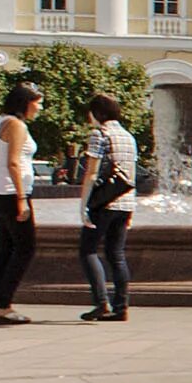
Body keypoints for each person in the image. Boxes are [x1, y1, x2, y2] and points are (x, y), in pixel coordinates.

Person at [0, 83, 42, 325]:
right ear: (25, 102)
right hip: (10, 193)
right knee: (25, 248)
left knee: (7, 248)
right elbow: (14, 162)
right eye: (37, 102)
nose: (39, 107)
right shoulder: (16, 125)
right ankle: (2, 304)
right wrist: (21, 200)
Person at [77, 93, 137, 322]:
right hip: (125, 202)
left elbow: (91, 172)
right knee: (117, 255)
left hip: (103, 203)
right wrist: (132, 210)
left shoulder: (99, 134)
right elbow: (130, 174)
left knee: (88, 250)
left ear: (97, 113)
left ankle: (101, 302)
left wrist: (83, 205)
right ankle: (121, 307)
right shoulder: (127, 136)